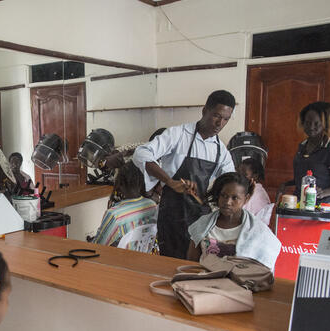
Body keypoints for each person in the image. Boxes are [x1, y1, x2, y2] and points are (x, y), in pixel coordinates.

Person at [132, 90, 236, 259]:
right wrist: (169, 181)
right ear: (204, 111)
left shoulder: (220, 150)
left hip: (200, 219)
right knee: (169, 264)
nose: (220, 123)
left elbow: (231, 180)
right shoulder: (178, 135)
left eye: (226, 119)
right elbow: (141, 153)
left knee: (194, 266)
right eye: (216, 116)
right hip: (171, 215)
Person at [187, 172, 281, 271]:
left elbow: (264, 268)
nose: (227, 202)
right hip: (202, 280)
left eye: (235, 198)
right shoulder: (203, 224)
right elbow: (191, 263)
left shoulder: (258, 231)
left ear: (246, 198)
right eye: (224, 195)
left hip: (239, 283)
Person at [278, 102, 330, 204]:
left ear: (325, 125)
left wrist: (324, 193)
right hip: (300, 204)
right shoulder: (302, 146)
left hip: (323, 207)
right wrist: (286, 184)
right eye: (307, 123)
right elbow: (304, 178)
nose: (311, 127)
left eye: (317, 123)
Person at [92, 161, 158, 248]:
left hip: (119, 260)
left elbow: (97, 247)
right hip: (143, 258)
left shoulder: (115, 215)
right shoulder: (152, 206)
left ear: (120, 184)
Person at [238, 157, 272, 222]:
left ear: (255, 176)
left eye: (244, 175)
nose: (239, 177)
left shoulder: (256, 193)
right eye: (238, 173)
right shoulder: (247, 188)